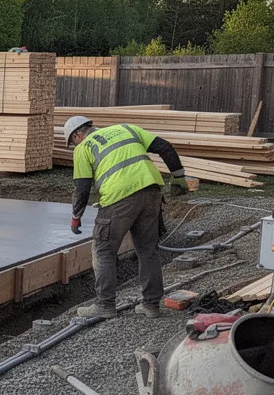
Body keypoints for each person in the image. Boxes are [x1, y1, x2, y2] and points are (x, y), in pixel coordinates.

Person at [63, 116, 188, 319]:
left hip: (118, 199)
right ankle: (151, 305)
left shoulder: (83, 147)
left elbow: (82, 187)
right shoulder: (127, 128)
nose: (74, 146)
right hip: (151, 193)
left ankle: (105, 305)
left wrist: (76, 216)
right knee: (148, 251)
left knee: (103, 250)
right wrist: (179, 177)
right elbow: (165, 147)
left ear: (77, 134)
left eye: (72, 142)